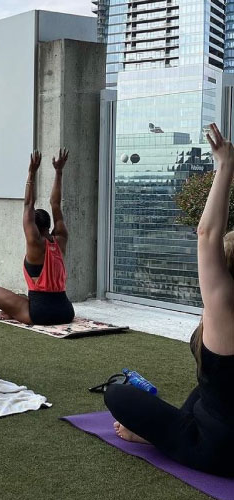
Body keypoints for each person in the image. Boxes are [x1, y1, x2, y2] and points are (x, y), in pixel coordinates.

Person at [104, 123, 234, 477]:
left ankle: (155, 438)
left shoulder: (225, 311)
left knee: (117, 394)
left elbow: (207, 235)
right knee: (206, 389)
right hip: (219, 420)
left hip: (217, 448)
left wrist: (225, 166)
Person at [0, 149, 75, 326]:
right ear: (49, 225)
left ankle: (14, 313)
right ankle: (14, 311)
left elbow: (28, 204)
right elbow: (56, 204)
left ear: (33, 227)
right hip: (66, 312)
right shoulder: (61, 239)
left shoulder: (35, 242)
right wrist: (58, 171)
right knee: (21, 296)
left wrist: (32, 172)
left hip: (41, 314)